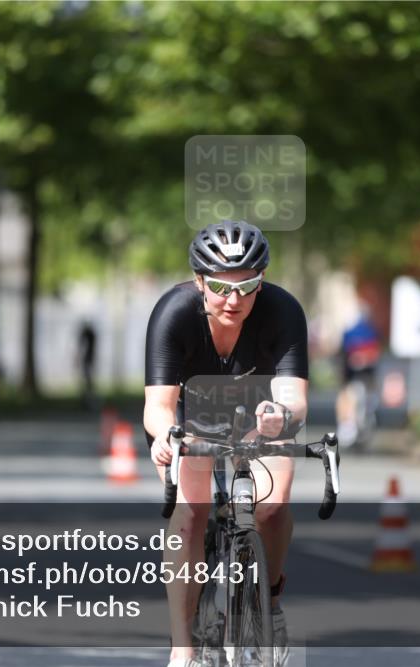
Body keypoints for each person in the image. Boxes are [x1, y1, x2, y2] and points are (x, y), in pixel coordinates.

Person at [144, 220, 308, 667]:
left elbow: (294, 398)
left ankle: (269, 604)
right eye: (219, 287)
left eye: (247, 286)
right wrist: (164, 437)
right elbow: (158, 406)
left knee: (273, 504)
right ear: (199, 280)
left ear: (262, 281)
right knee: (191, 512)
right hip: (191, 419)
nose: (233, 300)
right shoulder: (174, 312)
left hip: (261, 421)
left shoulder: (284, 311)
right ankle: (183, 646)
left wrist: (281, 416)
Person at [334, 304, 382, 447]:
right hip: (363, 376)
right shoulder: (371, 331)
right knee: (352, 396)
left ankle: (347, 424)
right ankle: (350, 424)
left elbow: (342, 356)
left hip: (357, 376)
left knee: (347, 396)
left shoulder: (350, 333)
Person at [77, 320, 98, 410]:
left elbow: (81, 345)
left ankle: (88, 399)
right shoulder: (91, 336)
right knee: (88, 380)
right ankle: (87, 399)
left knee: (88, 380)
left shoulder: (88, 336)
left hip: (88, 359)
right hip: (89, 359)